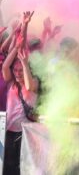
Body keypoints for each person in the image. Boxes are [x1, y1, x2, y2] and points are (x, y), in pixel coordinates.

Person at [2, 14, 38, 175]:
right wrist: (17, 46)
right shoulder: (11, 83)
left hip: (26, 134)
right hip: (9, 132)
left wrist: (24, 63)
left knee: (24, 169)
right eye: (15, 70)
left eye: (20, 70)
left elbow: (29, 86)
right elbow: (5, 67)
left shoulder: (33, 82)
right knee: (9, 169)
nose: (17, 73)